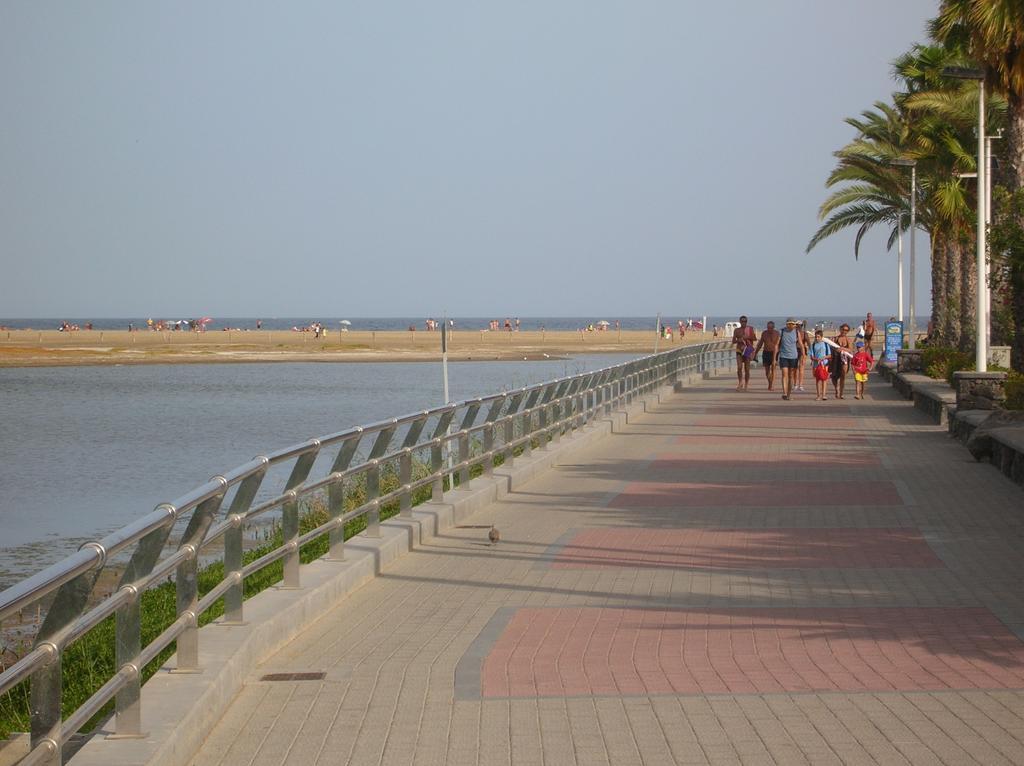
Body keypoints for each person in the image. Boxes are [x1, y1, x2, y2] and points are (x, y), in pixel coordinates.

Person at [778, 318, 804, 400]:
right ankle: (784, 393)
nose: (792, 326)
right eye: (790, 324)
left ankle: (788, 395)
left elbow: (801, 344)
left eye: (793, 324)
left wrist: (803, 355)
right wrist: (774, 357)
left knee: (790, 376)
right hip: (783, 356)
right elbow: (776, 344)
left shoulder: (797, 332)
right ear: (787, 324)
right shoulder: (782, 331)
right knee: (784, 374)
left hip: (793, 356)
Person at [731, 315, 757, 391]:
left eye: (745, 321)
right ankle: (740, 383)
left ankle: (746, 384)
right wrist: (738, 340)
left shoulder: (750, 329)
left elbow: (755, 339)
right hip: (739, 350)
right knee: (739, 367)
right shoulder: (736, 330)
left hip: (748, 350)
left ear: (746, 322)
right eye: (742, 321)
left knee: (747, 369)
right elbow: (733, 341)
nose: (743, 323)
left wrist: (747, 337)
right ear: (740, 322)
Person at [753, 321, 781, 391]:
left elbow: (778, 345)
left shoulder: (777, 333)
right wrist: (755, 353)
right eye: (768, 328)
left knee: (773, 369)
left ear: (773, 327)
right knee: (767, 371)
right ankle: (770, 383)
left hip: (774, 353)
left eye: (771, 328)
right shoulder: (764, 333)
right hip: (766, 352)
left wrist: (778, 355)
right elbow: (760, 344)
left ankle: (772, 385)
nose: (769, 329)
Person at [830, 324, 853, 399]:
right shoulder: (835, 338)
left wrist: (842, 348)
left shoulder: (848, 340)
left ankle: (841, 393)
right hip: (836, 358)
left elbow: (850, 350)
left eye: (846, 330)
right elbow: (831, 348)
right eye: (843, 329)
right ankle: (836, 388)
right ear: (840, 329)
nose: (844, 331)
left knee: (843, 375)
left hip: (844, 359)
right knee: (834, 377)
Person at [810, 329, 831, 401]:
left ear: (822, 337)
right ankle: (818, 395)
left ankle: (824, 395)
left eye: (818, 337)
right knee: (818, 380)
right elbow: (811, 356)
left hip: (824, 364)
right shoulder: (813, 345)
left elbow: (829, 355)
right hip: (816, 365)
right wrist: (816, 359)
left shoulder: (825, 344)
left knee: (824, 379)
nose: (817, 338)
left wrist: (824, 357)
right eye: (816, 337)